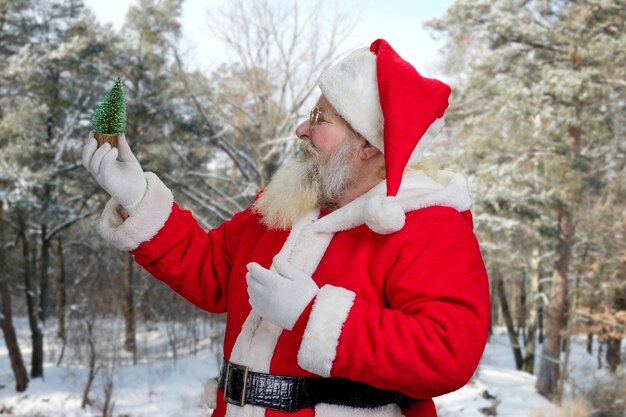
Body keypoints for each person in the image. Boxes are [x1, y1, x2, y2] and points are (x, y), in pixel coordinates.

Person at [82, 39, 490, 417]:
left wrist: (313, 314)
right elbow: (210, 272)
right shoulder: (286, 205)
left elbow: (448, 353)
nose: (302, 129)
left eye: (320, 118)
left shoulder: (429, 224)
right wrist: (139, 199)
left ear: (368, 144)